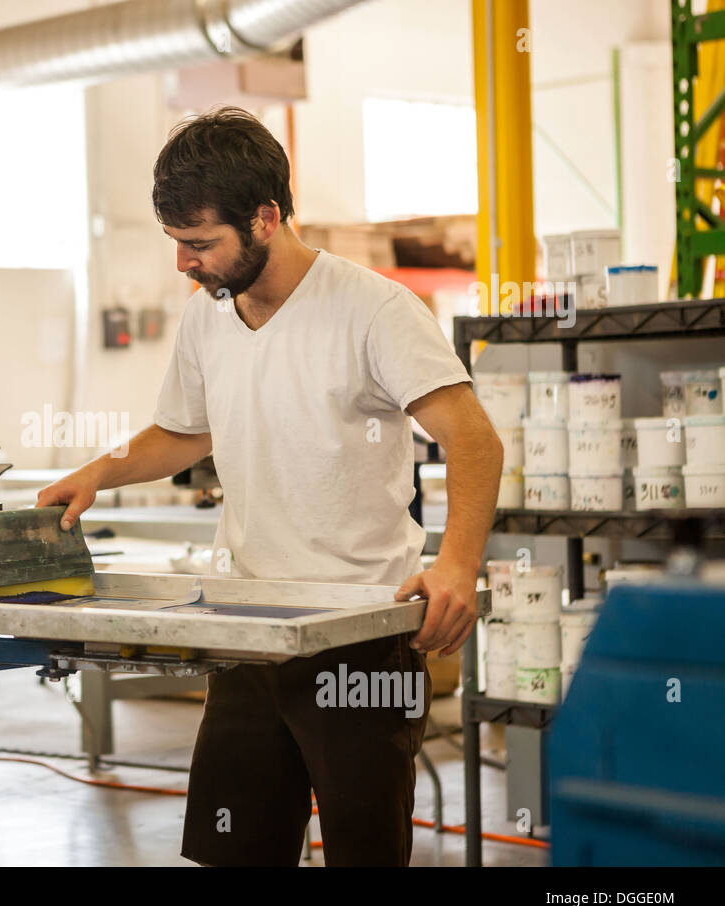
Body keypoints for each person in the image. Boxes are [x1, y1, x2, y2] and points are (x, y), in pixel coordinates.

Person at [37, 107, 503, 866]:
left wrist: (457, 564)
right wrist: (100, 471)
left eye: (199, 244)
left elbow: (474, 440)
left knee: (364, 852)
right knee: (234, 851)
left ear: (265, 218)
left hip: (362, 633)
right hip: (248, 632)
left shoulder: (375, 309)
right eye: (176, 244)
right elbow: (185, 432)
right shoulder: (206, 317)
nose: (184, 264)